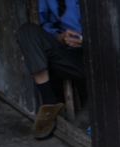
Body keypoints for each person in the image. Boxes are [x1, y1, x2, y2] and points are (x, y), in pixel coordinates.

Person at [16, 0, 84, 139]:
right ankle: (49, 101)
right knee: (27, 30)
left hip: (104, 54)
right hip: (68, 57)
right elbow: (45, 25)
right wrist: (60, 37)